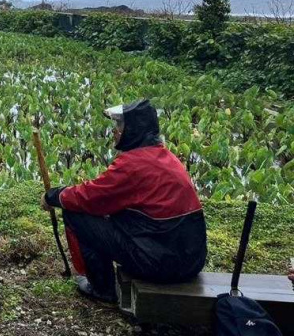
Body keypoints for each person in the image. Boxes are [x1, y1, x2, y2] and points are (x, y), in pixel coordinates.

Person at [40, 98, 207, 303]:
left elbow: (91, 198)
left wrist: (55, 196)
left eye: (120, 125)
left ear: (134, 130)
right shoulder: (167, 158)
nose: (115, 130)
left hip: (161, 264)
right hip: (189, 261)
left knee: (76, 214)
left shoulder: (133, 164)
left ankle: (102, 288)